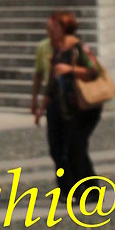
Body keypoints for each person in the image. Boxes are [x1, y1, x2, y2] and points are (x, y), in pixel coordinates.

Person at [48, 11, 106, 195]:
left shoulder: (78, 47)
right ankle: (83, 190)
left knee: (76, 148)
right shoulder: (58, 49)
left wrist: (69, 69)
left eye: (55, 26)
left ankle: (87, 191)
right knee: (71, 148)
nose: (51, 29)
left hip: (85, 106)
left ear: (65, 27)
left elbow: (94, 70)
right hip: (67, 106)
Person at [30, 13, 67, 175]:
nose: (50, 32)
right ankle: (65, 187)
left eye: (53, 29)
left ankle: (79, 186)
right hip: (51, 100)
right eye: (48, 30)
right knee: (54, 147)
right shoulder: (43, 47)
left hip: (68, 100)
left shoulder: (68, 47)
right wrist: (35, 100)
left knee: (70, 148)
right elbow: (39, 75)